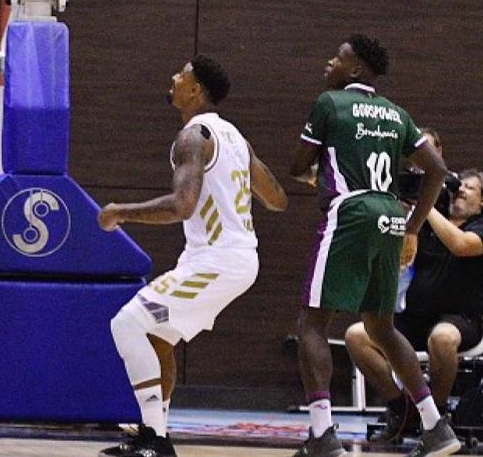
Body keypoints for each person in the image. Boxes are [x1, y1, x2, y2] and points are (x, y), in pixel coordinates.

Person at [96, 56, 288, 457]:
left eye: (181, 74)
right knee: (156, 336)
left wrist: (121, 213)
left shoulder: (193, 136)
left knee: (126, 325)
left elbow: (182, 206)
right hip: (232, 259)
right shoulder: (234, 137)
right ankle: (156, 438)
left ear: (196, 89)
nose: (173, 78)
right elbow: (277, 199)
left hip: (218, 260)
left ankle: (154, 441)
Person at [290, 34, 460, 457]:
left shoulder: (330, 103)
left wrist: (322, 172)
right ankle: (437, 428)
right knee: (380, 326)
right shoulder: (396, 113)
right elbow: (437, 170)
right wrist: (413, 229)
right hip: (389, 216)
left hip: (349, 211)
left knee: (312, 323)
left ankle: (322, 434)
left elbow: (297, 165)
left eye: (339, 57)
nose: (330, 62)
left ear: (358, 69)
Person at [346, 169, 483, 442]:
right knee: (357, 336)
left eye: (470, 188)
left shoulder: (478, 227)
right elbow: (399, 257)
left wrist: (426, 204)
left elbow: (460, 244)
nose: (461, 191)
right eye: (459, 186)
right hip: (417, 319)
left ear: (482, 202)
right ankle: (402, 408)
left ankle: (437, 414)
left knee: (442, 338)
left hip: (463, 320)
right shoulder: (424, 225)